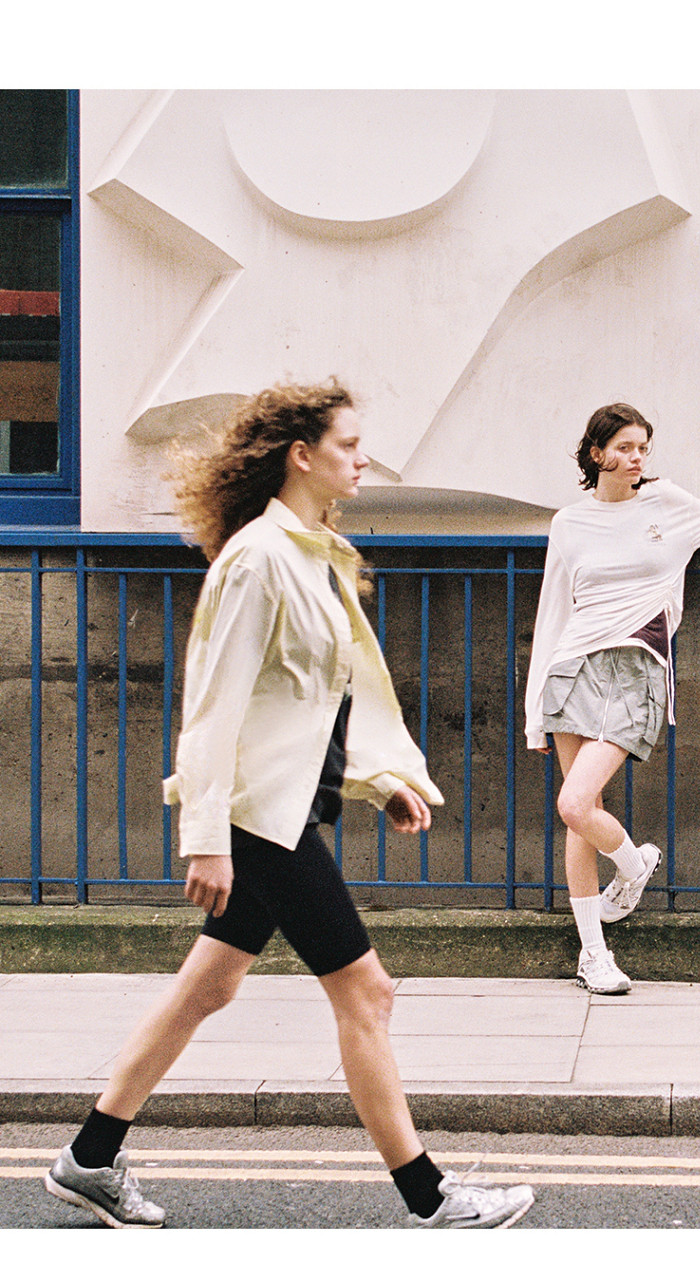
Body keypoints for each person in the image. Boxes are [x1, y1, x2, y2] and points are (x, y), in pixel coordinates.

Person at [45, 379, 535, 1230]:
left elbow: (318, 700)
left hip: (287, 808)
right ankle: (430, 1195)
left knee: (207, 988)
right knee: (368, 992)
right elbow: (214, 704)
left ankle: (90, 1156)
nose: (363, 459)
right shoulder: (259, 558)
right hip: (258, 821)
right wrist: (206, 837)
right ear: (301, 455)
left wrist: (379, 781)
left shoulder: (311, 553)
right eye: (348, 444)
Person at [525, 404, 700, 996]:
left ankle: (631, 866)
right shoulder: (569, 523)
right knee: (580, 812)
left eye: (643, 448)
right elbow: (554, 611)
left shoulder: (664, 502)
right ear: (596, 453)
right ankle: (594, 954)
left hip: (639, 664)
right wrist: (533, 717)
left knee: (575, 804)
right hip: (572, 666)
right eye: (624, 448)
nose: (636, 459)